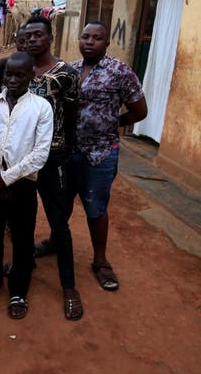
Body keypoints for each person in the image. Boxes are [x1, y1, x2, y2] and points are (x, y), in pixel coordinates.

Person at [69, 22, 147, 291]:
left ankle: (100, 260)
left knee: (96, 208)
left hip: (100, 154)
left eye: (97, 38)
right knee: (61, 203)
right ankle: (57, 242)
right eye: (85, 37)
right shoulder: (70, 70)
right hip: (69, 151)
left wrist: (113, 123)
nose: (89, 42)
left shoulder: (119, 71)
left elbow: (140, 111)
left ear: (106, 43)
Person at [0, 52, 53, 320]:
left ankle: (18, 290)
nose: (13, 79)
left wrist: (6, 178)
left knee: (22, 238)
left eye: (20, 74)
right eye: (9, 74)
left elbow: (40, 155)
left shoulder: (41, 108)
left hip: (22, 184)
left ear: (31, 76)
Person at [21, 16, 83, 321]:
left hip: (53, 156)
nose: (32, 40)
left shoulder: (66, 74)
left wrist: (65, 148)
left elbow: (71, 114)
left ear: (50, 37)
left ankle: (69, 288)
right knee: (22, 216)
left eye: (38, 35)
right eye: (27, 36)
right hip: (21, 158)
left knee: (59, 221)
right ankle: (23, 265)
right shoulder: (17, 69)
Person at [0, 27, 27, 96]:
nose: (25, 46)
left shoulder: (38, 67)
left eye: (28, 42)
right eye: (21, 42)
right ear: (15, 41)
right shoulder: (2, 65)